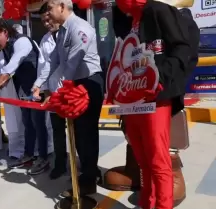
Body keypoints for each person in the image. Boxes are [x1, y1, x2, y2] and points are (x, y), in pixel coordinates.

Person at [110, 0, 194, 208]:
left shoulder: (157, 10)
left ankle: (163, 205)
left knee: (158, 161)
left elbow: (183, 48)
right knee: (143, 162)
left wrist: (161, 77)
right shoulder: (126, 20)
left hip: (156, 100)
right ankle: (148, 204)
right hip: (133, 100)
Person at [0, 19, 51, 175]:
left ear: (5, 32)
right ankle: (29, 155)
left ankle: (43, 158)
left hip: (37, 89)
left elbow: (10, 67)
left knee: (39, 124)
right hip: (24, 91)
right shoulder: (6, 49)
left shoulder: (22, 41)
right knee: (27, 124)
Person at [46, 0, 104, 196]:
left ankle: (88, 182)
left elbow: (71, 65)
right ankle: (90, 171)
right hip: (75, 84)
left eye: (50, 7)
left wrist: (58, 93)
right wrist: (43, 86)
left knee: (86, 135)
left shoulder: (79, 27)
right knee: (80, 134)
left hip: (88, 83)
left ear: (62, 6)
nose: (48, 13)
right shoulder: (61, 31)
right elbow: (56, 63)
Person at [37, 2, 66, 180]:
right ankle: (60, 164)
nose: (47, 23)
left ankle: (83, 168)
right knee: (57, 131)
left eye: (48, 18)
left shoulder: (69, 32)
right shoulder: (44, 41)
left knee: (79, 132)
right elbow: (43, 68)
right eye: (43, 21)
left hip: (74, 91)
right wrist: (46, 92)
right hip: (55, 92)